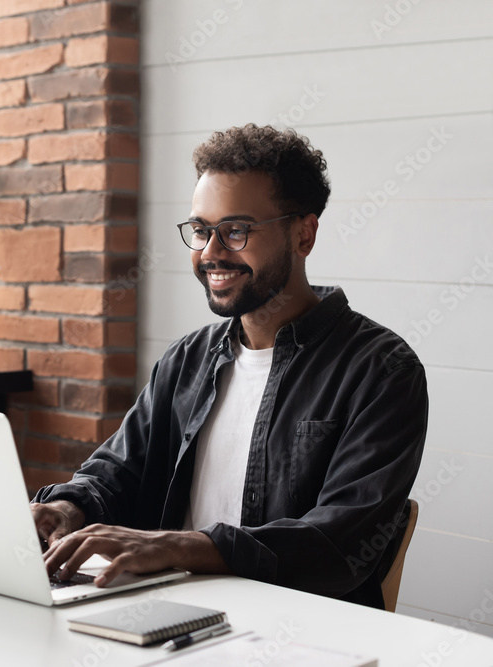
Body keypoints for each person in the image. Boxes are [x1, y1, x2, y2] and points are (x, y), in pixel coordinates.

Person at [32, 124, 428, 609]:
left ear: (303, 234)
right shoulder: (187, 360)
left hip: (298, 631)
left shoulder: (382, 369)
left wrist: (176, 545)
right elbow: (118, 472)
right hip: (171, 615)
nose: (210, 253)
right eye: (201, 230)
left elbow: (337, 543)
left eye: (236, 230)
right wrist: (66, 509)